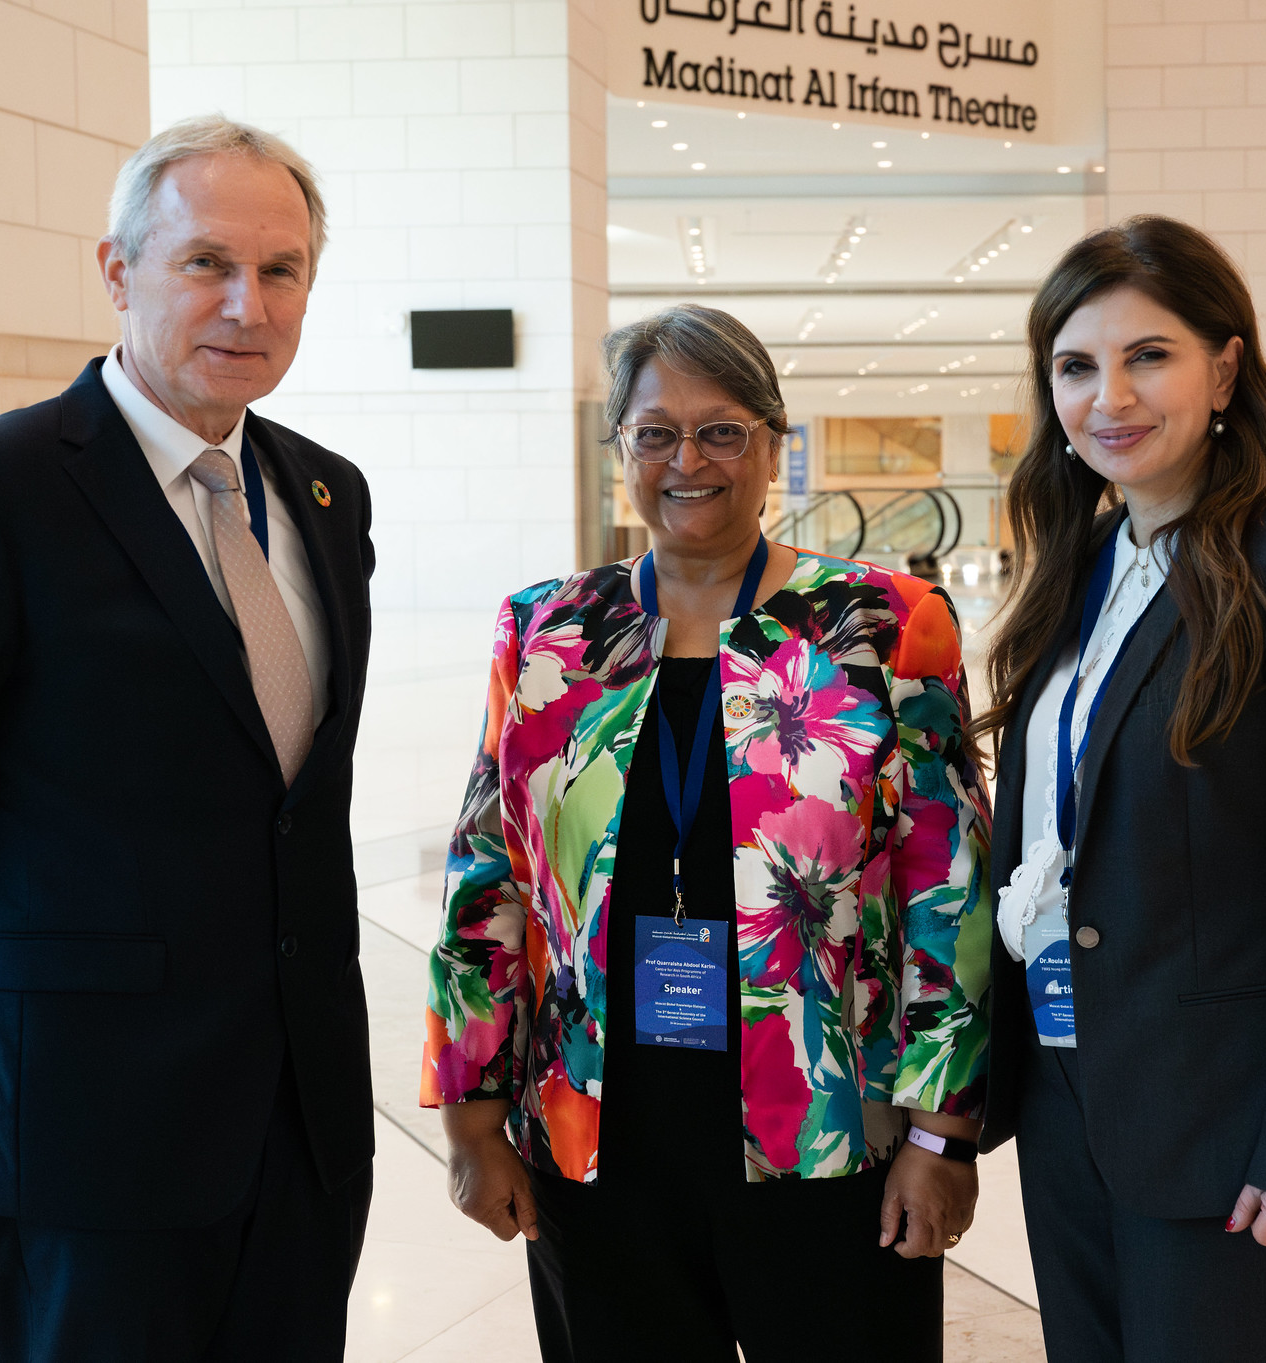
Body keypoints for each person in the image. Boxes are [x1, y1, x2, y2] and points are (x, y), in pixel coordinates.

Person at [0, 116, 376, 1362]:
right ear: (117, 270)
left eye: (281, 269)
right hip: (87, 1120)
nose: (247, 302)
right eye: (205, 263)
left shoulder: (327, 494)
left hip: (302, 1115)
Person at [422, 304, 992, 1362]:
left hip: (830, 1136)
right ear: (619, 451)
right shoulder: (549, 633)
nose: (687, 460)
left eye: (722, 429)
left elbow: (945, 890)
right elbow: (486, 873)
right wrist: (469, 1115)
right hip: (595, 1135)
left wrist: (937, 1133)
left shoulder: (878, 623)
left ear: (775, 442)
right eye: (654, 432)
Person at [974, 217, 1266, 1362]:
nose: (1107, 395)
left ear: (1224, 366)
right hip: (1067, 1092)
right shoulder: (1079, 569)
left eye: (1147, 355)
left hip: (1225, 1119)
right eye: (1074, 365)